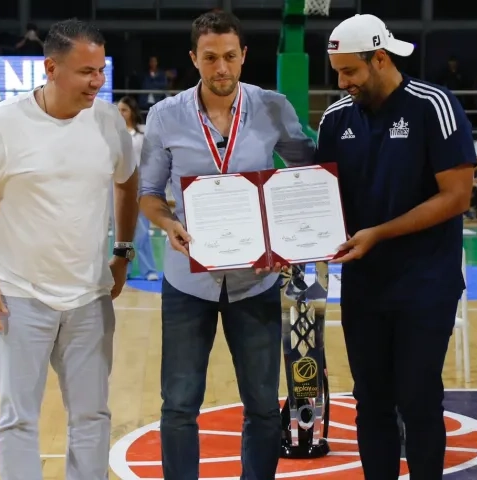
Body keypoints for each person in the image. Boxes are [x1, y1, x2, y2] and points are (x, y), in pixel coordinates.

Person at [0, 19, 138, 480]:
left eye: (100, 71)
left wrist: (123, 250)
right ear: (51, 67)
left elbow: (127, 184)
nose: (97, 82)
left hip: (90, 297)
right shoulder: (3, 123)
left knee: (92, 417)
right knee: (18, 420)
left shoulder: (108, 120)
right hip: (19, 297)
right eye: (86, 71)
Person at [138, 10, 315, 480]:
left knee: (260, 406)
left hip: (253, 282)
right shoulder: (164, 115)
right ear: (194, 58)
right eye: (210, 57)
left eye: (230, 57)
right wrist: (167, 224)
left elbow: (305, 174)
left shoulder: (274, 107)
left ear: (244, 57)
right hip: (187, 280)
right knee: (178, 405)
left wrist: (292, 233)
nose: (221, 68)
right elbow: (149, 195)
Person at [317, 14, 476, 480]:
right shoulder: (335, 119)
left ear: (380, 59)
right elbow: (324, 197)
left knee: (419, 399)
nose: (342, 82)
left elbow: (457, 195)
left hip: (425, 283)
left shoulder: (434, 106)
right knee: (371, 403)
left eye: (350, 71)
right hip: (365, 286)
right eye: (337, 73)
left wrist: (379, 233)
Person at [117, 95, 159, 280]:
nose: (120, 114)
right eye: (118, 110)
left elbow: (151, 159)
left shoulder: (143, 133)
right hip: (118, 187)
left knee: (141, 230)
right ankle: (124, 269)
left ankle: (148, 269)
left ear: (132, 112)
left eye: (124, 110)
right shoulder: (112, 133)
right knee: (122, 233)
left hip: (141, 185)